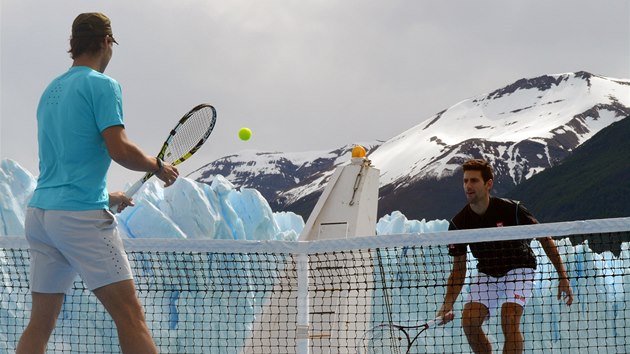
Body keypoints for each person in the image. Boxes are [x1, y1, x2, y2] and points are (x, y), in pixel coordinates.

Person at [17, 13, 179, 354]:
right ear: (107, 42)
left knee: (40, 323)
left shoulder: (50, 91)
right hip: (79, 218)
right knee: (130, 315)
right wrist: (158, 165)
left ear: (74, 44)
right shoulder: (103, 85)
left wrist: (105, 196)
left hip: (42, 215)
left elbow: (61, 164)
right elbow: (118, 149)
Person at [437, 159, 573, 354]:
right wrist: (447, 303)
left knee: (509, 318)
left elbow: (545, 238)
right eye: (465, 181)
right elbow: (459, 269)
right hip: (487, 273)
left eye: (474, 181)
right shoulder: (459, 223)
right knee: (469, 322)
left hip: (520, 269)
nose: (468, 186)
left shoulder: (513, 210)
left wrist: (563, 276)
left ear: (488, 184)